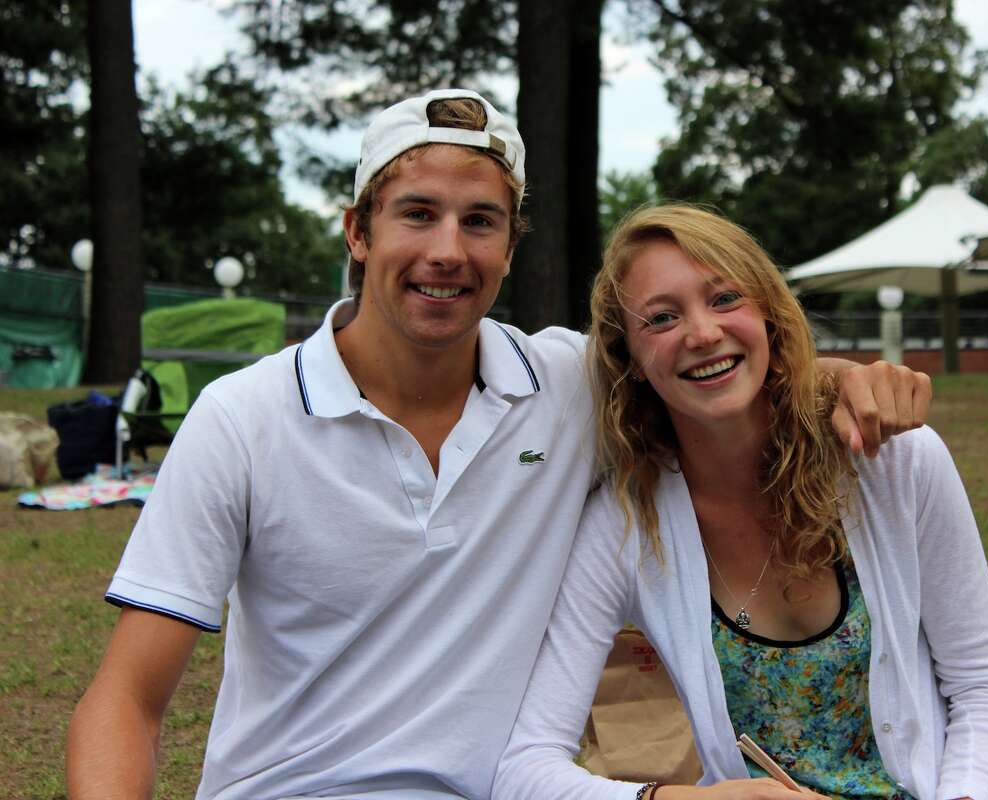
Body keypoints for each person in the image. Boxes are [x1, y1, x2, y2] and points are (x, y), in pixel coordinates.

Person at [66, 91, 931, 800]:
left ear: (510, 248)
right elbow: (128, 702)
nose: (448, 250)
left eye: (481, 221)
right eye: (418, 214)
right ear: (358, 232)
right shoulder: (241, 419)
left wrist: (839, 378)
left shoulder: (568, 386)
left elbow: (702, 361)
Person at [493, 205, 988, 800]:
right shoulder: (625, 526)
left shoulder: (895, 463)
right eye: (662, 318)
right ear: (631, 362)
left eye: (724, 299)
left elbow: (982, 685)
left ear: (770, 316)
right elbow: (525, 767)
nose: (701, 333)